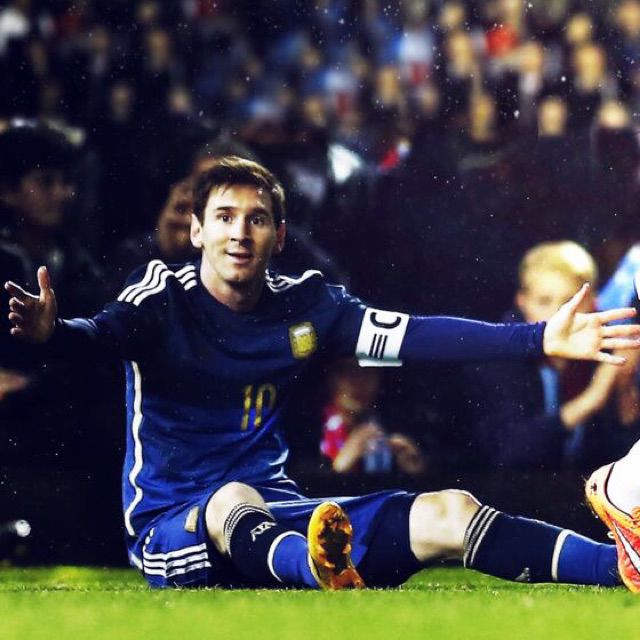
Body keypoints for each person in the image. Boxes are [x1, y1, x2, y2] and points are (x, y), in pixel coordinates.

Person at [5, 156, 640, 591]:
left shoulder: (308, 305)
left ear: (279, 235)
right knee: (231, 499)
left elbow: (415, 336)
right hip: (174, 525)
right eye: (223, 217)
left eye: (256, 219)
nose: (239, 233)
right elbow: (98, 337)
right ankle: (319, 571)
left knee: (452, 512)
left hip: (281, 516)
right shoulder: (159, 299)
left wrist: (537, 337)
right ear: (196, 230)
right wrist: (52, 334)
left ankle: (620, 568)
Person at [468, 241, 640, 469]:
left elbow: (621, 449)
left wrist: (625, 391)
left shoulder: (611, 345)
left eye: (570, 302)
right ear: (522, 302)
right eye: (544, 301)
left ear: (593, 302)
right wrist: (591, 400)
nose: (559, 317)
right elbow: (509, 453)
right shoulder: (499, 353)